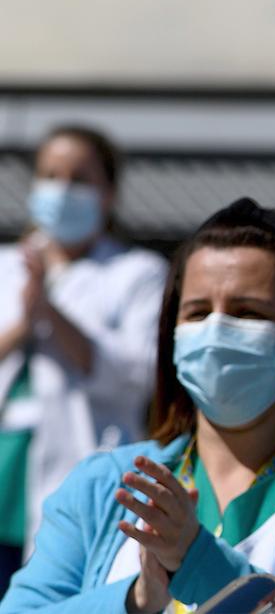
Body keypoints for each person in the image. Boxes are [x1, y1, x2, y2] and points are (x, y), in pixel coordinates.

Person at [0, 198, 275, 613]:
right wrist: (136, 600)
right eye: (198, 313)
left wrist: (198, 562)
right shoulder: (102, 486)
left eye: (247, 313)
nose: (217, 330)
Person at [0, 125, 166, 595]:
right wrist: (24, 322)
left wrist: (51, 313)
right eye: (50, 175)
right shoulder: (6, 264)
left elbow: (139, 373)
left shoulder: (137, 274)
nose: (61, 190)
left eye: (79, 178)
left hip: (79, 457)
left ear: (108, 193)